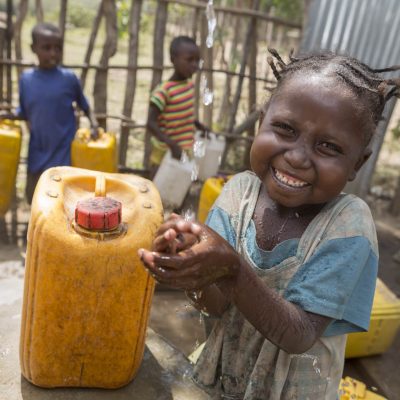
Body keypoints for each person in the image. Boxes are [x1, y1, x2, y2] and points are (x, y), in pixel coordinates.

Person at [139, 50, 400, 399]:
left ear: (358, 163)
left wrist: (231, 269)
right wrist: (190, 267)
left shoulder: (349, 226)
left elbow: (300, 334)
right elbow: (214, 305)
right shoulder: (238, 193)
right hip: (220, 382)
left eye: (328, 146)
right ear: (261, 122)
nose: (296, 156)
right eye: (285, 129)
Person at [0, 22, 98, 204]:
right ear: (33, 48)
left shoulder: (69, 79)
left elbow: (85, 106)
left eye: (57, 48)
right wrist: (9, 116)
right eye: (46, 48)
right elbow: (24, 112)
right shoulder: (26, 80)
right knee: (35, 200)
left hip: (64, 157)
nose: (53, 53)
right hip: (37, 155)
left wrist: (94, 124)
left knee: (62, 202)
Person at [147, 36, 207, 170]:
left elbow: (183, 114)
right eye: (189, 60)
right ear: (173, 59)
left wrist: (197, 124)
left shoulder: (188, 85)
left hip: (184, 149)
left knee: (178, 187)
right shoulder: (163, 91)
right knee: (158, 187)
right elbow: (150, 124)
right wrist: (171, 144)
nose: (195, 65)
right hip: (164, 153)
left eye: (197, 60)